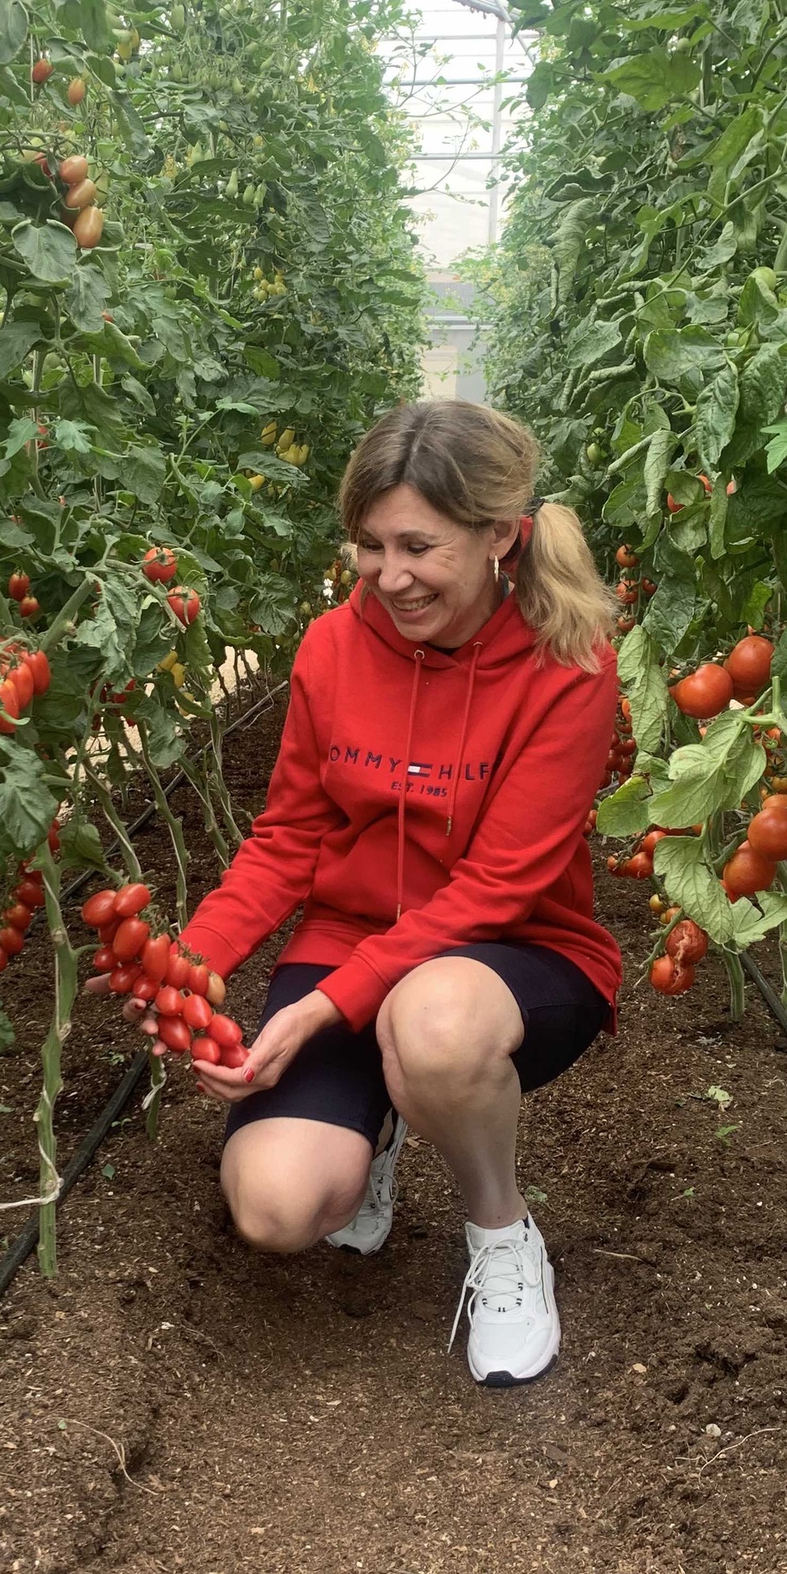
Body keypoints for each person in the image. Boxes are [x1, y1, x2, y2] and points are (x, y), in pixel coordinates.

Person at [180, 400, 621, 1385]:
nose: (389, 576)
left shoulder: (568, 663)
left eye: (419, 547)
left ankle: (501, 1234)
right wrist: (190, 963)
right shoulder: (333, 647)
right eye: (371, 546)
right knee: (275, 1208)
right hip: (353, 939)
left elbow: (497, 885)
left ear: (499, 534)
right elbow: (289, 836)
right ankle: (375, 1121)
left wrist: (324, 1008)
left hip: (514, 953)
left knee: (430, 1024)